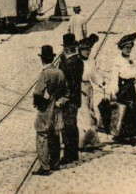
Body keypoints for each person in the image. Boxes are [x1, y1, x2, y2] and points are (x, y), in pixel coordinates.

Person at [33, 45, 67, 176]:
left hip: (46, 108)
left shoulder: (44, 73)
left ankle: (44, 166)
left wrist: (38, 104)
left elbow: (38, 92)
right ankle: (55, 162)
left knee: (42, 134)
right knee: (55, 134)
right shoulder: (59, 72)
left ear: (42, 60)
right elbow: (66, 91)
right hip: (57, 108)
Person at [107, 33, 136, 142]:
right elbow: (114, 76)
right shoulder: (117, 60)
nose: (128, 50)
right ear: (121, 48)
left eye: (130, 47)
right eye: (126, 47)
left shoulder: (134, 59)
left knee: (133, 110)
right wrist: (113, 91)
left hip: (131, 88)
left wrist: (135, 77)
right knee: (123, 111)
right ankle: (121, 134)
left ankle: (131, 134)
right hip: (122, 88)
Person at [58, 33, 84, 164]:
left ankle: (69, 154)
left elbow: (65, 82)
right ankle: (74, 153)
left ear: (66, 48)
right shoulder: (79, 61)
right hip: (76, 99)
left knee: (67, 127)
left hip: (68, 100)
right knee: (72, 126)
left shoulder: (67, 64)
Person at [77, 34, 101, 150]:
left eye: (89, 49)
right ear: (80, 50)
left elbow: (94, 75)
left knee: (90, 112)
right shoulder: (76, 61)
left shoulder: (91, 61)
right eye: (85, 50)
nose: (87, 52)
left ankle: (91, 141)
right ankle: (82, 142)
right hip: (79, 87)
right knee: (83, 114)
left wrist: (101, 83)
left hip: (88, 87)